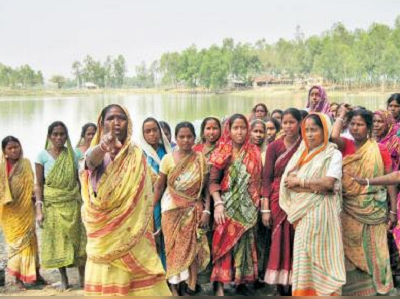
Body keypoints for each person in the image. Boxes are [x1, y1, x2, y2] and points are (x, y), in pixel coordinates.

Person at [81, 104, 171, 296]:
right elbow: (89, 162)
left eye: (121, 118)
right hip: (105, 233)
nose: (116, 123)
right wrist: (103, 146)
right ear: (102, 123)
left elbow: (149, 188)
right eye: (110, 118)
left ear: (128, 123)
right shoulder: (97, 152)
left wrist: (147, 220)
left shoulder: (136, 154)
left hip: (134, 232)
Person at [331, 107, 396, 296]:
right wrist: (342, 116)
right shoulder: (346, 146)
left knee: (376, 246)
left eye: (360, 124)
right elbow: (334, 137)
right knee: (349, 244)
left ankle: (380, 284)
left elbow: (390, 179)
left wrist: (392, 211)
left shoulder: (379, 149)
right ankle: (353, 287)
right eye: (352, 124)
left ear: (368, 128)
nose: (355, 128)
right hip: (348, 206)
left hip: (374, 206)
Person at [280, 113, 346, 296]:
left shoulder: (333, 154)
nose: (309, 135)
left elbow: (328, 184)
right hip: (304, 219)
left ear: (324, 131)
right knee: (303, 260)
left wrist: (301, 183)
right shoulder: (300, 155)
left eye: (314, 130)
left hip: (324, 218)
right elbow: (288, 183)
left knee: (326, 258)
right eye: (306, 130)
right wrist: (315, 187)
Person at [153, 121, 210, 296]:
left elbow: (206, 188)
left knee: (191, 249)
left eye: (189, 136)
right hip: (170, 210)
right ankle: (175, 287)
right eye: (181, 137)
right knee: (172, 249)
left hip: (193, 210)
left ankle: (190, 284)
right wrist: (150, 209)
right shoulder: (167, 159)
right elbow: (159, 187)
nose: (185, 140)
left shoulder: (201, 159)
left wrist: (207, 210)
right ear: (175, 138)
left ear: (194, 138)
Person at [209, 114, 262, 296]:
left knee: (245, 243)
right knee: (223, 243)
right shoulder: (222, 151)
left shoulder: (254, 151)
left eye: (243, 128)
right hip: (226, 206)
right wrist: (218, 204)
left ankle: (241, 282)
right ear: (229, 130)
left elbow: (258, 181)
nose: (239, 132)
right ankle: (219, 285)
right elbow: (213, 182)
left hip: (248, 208)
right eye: (235, 128)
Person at [35, 121, 86, 290]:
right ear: (49, 136)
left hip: (73, 202)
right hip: (53, 204)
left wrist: (86, 202)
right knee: (58, 241)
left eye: (62, 134)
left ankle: (82, 276)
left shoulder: (74, 154)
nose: (58, 137)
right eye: (55, 134)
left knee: (78, 240)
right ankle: (64, 278)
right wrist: (39, 209)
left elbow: (81, 180)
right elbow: (39, 184)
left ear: (67, 136)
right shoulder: (41, 156)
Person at [261, 108, 302, 295]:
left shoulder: (306, 145)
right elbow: (267, 179)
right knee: (280, 239)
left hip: (301, 197)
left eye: (291, 122)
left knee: (297, 239)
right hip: (278, 199)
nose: (287, 126)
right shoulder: (274, 147)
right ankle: (280, 283)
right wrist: (265, 208)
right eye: (284, 123)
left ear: (300, 123)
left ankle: (297, 281)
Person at [0, 137, 45, 290]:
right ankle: (17, 278)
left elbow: (33, 183)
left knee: (31, 242)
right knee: (15, 245)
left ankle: (36, 275)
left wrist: (35, 199)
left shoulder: (26, 163)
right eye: (10, 148)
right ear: (4, 152)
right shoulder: (1, 168)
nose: (14, 150)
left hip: (26, 209)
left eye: (16, 147)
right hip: (10, 213)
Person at [139, 117, 172, 270]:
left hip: (169, 200)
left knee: (168, 238)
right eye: (148, 131)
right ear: (143, 134)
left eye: (155, 130)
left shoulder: (169, 150)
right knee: (152, 238)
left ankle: (169, 274)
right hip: (147, 201)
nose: (152, 134)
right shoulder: (140, 153)